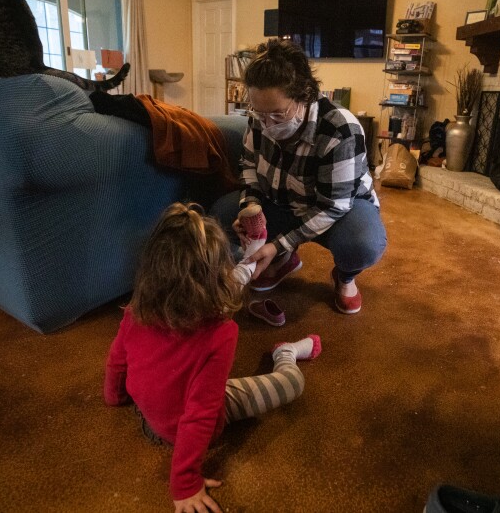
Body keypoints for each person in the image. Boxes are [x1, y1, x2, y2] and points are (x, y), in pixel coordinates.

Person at [104, 202, 321, 513]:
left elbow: (116, 362)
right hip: (179, 427)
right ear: (214, 278)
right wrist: (184, 483)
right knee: (293, 383)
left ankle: (254, 252)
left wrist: (114, 396)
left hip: (149, 417)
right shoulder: (222, 332)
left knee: (235, 282)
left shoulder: (137, 307)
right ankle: (284, 352)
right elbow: (200, 413)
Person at [211, 39, 386, 314]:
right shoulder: (260, 117)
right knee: (220, 214)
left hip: (339, 211)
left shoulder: (341, 130)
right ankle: (284, 258)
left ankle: (345, 277)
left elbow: (334, 206)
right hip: (282, 201)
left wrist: (278, 242)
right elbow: (247, 163)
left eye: (278, 115)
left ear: (305, 96)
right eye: (260, 113)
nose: (266, 125)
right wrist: (249, 207)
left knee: (362, 244)